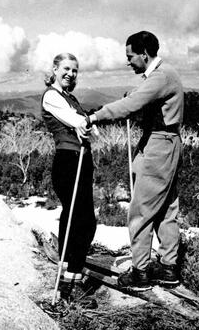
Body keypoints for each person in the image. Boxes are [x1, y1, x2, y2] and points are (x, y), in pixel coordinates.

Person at [80, 31, 184, 291]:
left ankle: (141, 273)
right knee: (166, 208)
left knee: (140, 212)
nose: (128, 62)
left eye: (130, 57)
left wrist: (94, 117)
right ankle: (168, 268)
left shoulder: (160, 76)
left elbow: (131, 104)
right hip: (168, 144)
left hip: (159, 146)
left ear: (144, 54)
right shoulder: (164, 74)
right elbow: (140, 98)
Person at [41, 53, 97, 304]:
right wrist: (83, 123)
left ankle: (69, 275)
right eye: (66, 69)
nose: (70, 74)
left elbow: (92, 132)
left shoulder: (70, 98)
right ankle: (70, 283)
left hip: (82, 160)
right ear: (55, 69)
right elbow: (82, 125)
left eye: (75, 70)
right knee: (83, 221)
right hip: (68, 161)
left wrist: (84, 124)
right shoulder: (52, 96)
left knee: (75, 218)